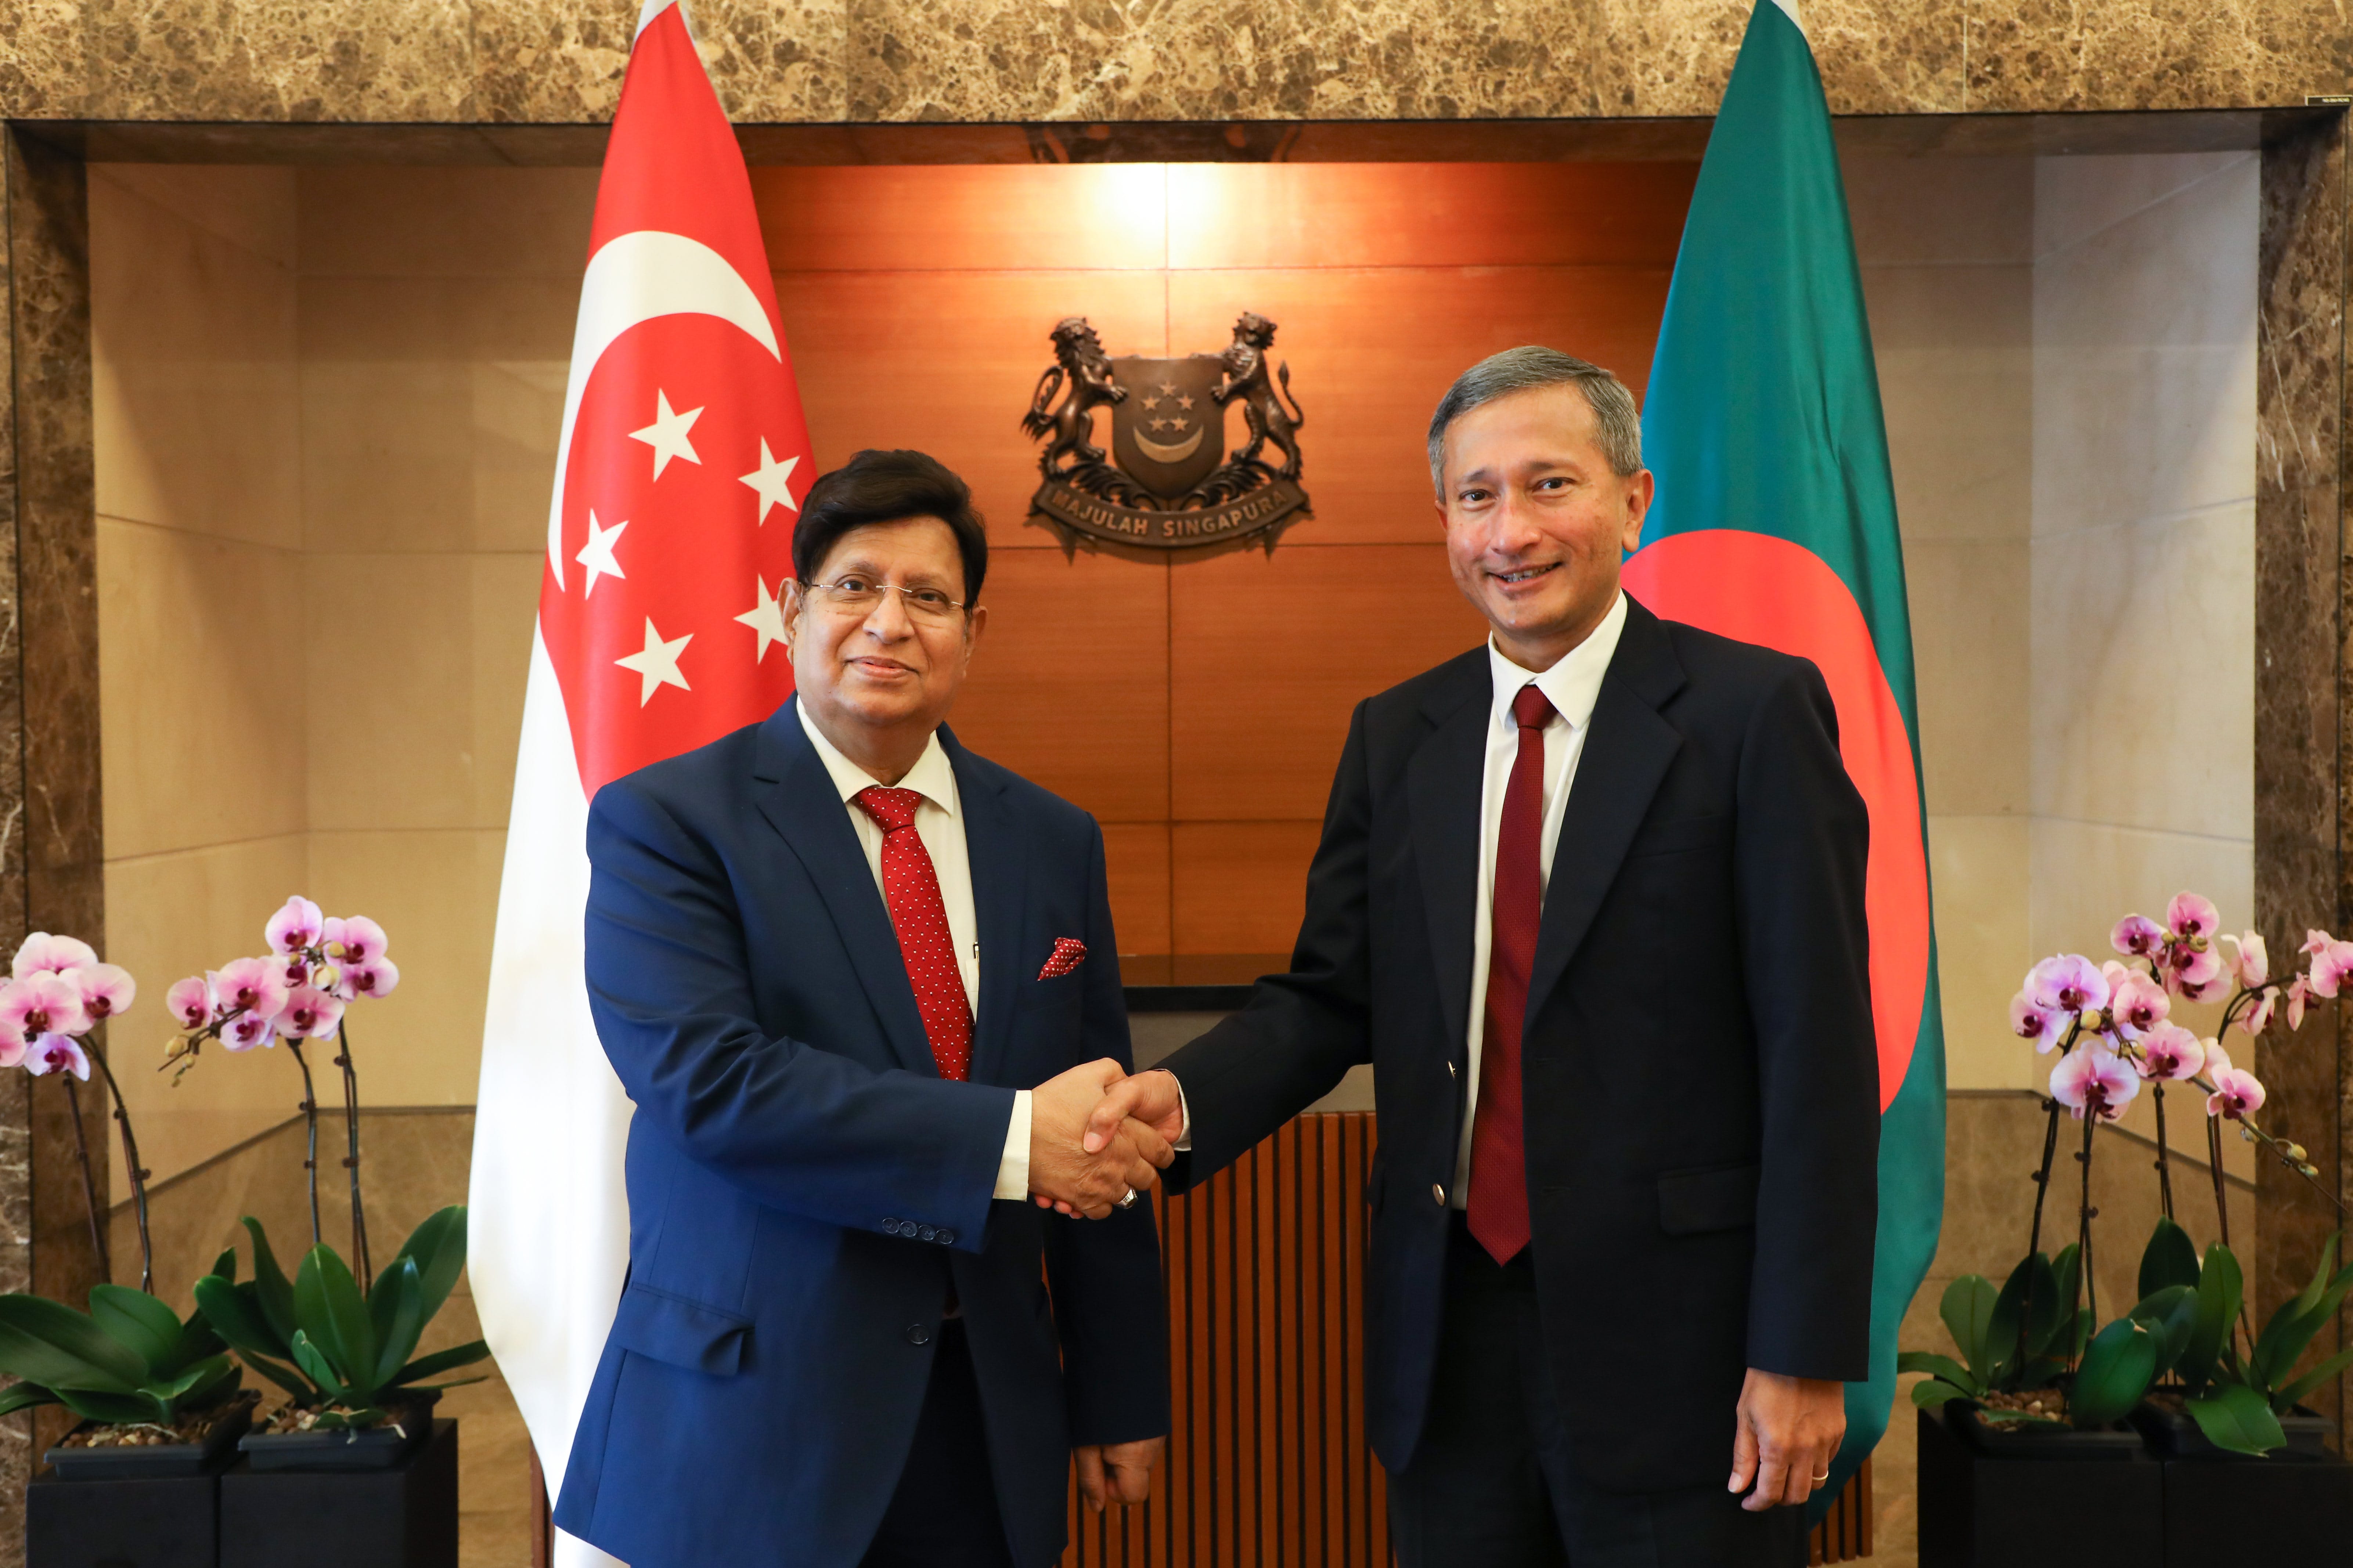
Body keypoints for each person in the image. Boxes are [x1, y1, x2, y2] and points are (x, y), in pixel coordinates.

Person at [1083, 348, 1880, 1566]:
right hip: (1447, 1345)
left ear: (1633, 499)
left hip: (1688, 1359)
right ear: (1445, 519)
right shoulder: (1403, 734)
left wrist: (1804, 1352)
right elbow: (1330, 998)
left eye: (1550, 485)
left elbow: (1819, 1054)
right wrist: (1179, 1102)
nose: (1511, 530)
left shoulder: (1751, 716)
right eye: (1476, 496)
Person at [555, 449, 1172, 1568]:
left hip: (987, 1414)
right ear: (792, 610)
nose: (889, 623)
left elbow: (1098, 1123)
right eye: (855, 586)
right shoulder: (668, 823)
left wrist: (1117, 1387)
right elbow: (714, 1086)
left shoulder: (1050, 839)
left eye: (928, 598)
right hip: (756, 1420)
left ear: (973, 633)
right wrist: (1008, 1139)